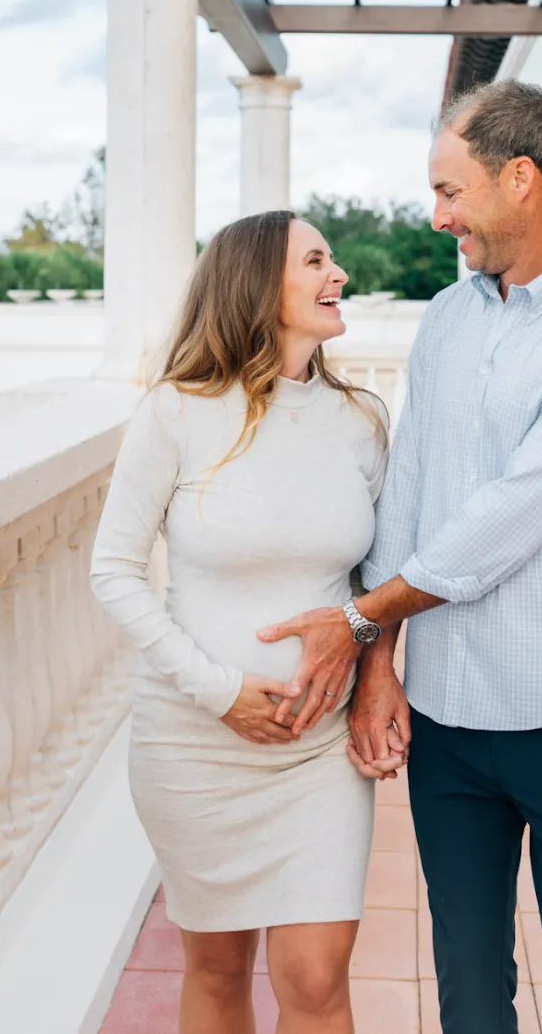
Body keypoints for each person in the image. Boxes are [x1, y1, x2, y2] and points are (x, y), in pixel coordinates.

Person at [256, 80, 542, 1034]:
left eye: (451, 191)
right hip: (451, 722)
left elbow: (505, 521)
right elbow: (411, 492)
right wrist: (381, 667)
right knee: (470, 989)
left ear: (522, 179)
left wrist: (358, 620)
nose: (438, 217)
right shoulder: (447, 318)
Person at [90, 210, 394, 1034]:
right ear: (259, 283)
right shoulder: (175, 413)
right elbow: (111, 570)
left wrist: (374, 681)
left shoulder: (362, 420)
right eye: (317, 261)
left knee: (317, 976)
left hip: (317, 750)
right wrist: (220, 690)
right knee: (219, 971)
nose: (339, 276)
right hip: (192, 741)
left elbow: (377, 585)